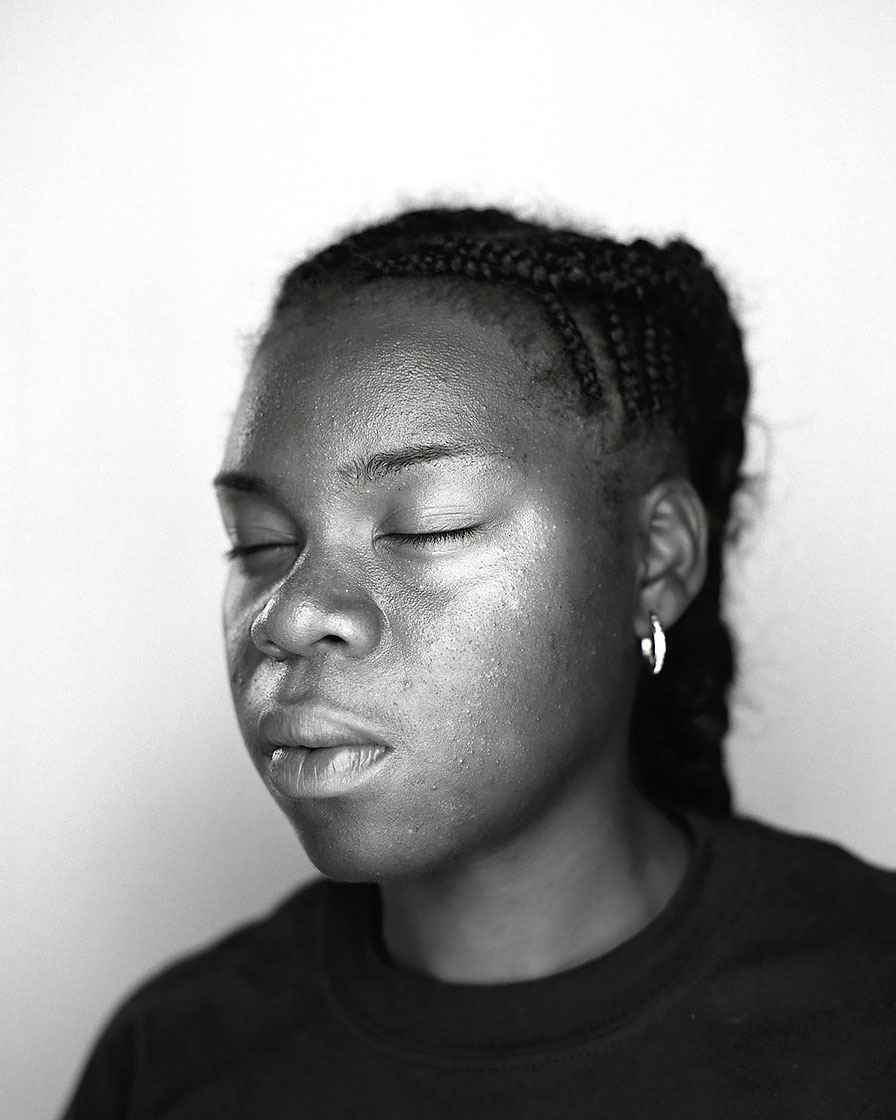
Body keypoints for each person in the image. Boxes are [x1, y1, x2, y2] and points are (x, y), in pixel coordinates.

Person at [62, 207, 896, 1118]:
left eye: (430, 526)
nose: (292, 613)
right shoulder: (169, 1061)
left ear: (654, 559)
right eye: (259, 542)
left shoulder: (869, 1009)